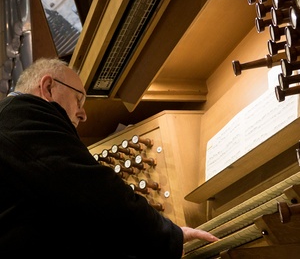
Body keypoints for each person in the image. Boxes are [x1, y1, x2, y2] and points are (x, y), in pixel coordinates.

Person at [0, 57, 218, 257]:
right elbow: (93, 192)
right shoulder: (22, 114)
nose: (83, 114)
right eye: (79, 100)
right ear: (48, 88)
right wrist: (170, 236)